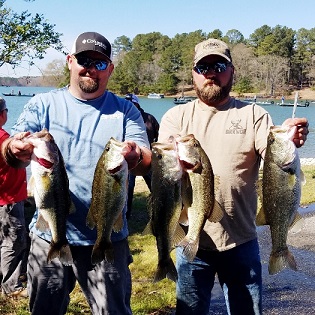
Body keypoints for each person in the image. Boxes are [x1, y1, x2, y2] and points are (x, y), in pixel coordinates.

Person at [1, 32, 151, 315]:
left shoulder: (126, 111)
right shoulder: (42, 104)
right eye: (84, 59)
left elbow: (146, 160)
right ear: (70, 62)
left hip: (108, 240)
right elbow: (12, 148)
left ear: (110, 69)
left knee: (114, 312)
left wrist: (134, 156)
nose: (90, 67)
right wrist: (15, 147)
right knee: (44, 310)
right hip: (49, 237)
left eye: (100, 62)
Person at [158, 38, 309, 315]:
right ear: (193, 73)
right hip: (192, 241)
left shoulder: (254, 114)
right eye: (203, 68)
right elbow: (165, 171)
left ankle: (280, 249)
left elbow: (275, 155)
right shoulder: (175, 117)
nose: (211, 73)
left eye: (218, 65)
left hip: (242, 241)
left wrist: (290, 137)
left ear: (232, 71)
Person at [0, 97, 28, 299]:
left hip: (8, 197)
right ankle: (11, 284)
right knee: (14, 241)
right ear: (2, 114)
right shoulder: (4, 138)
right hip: (8, 200)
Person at [124, 93, 159, 219]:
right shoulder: (125, 119)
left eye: (131, 102)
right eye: (127, 102)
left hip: (150, 159)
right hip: (132, 159)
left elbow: (158, 136)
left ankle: (159, 210)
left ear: (137, 103)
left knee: (155, 185)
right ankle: (125, 215)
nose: (129, 104)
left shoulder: (149, 118)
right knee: (128, 188)